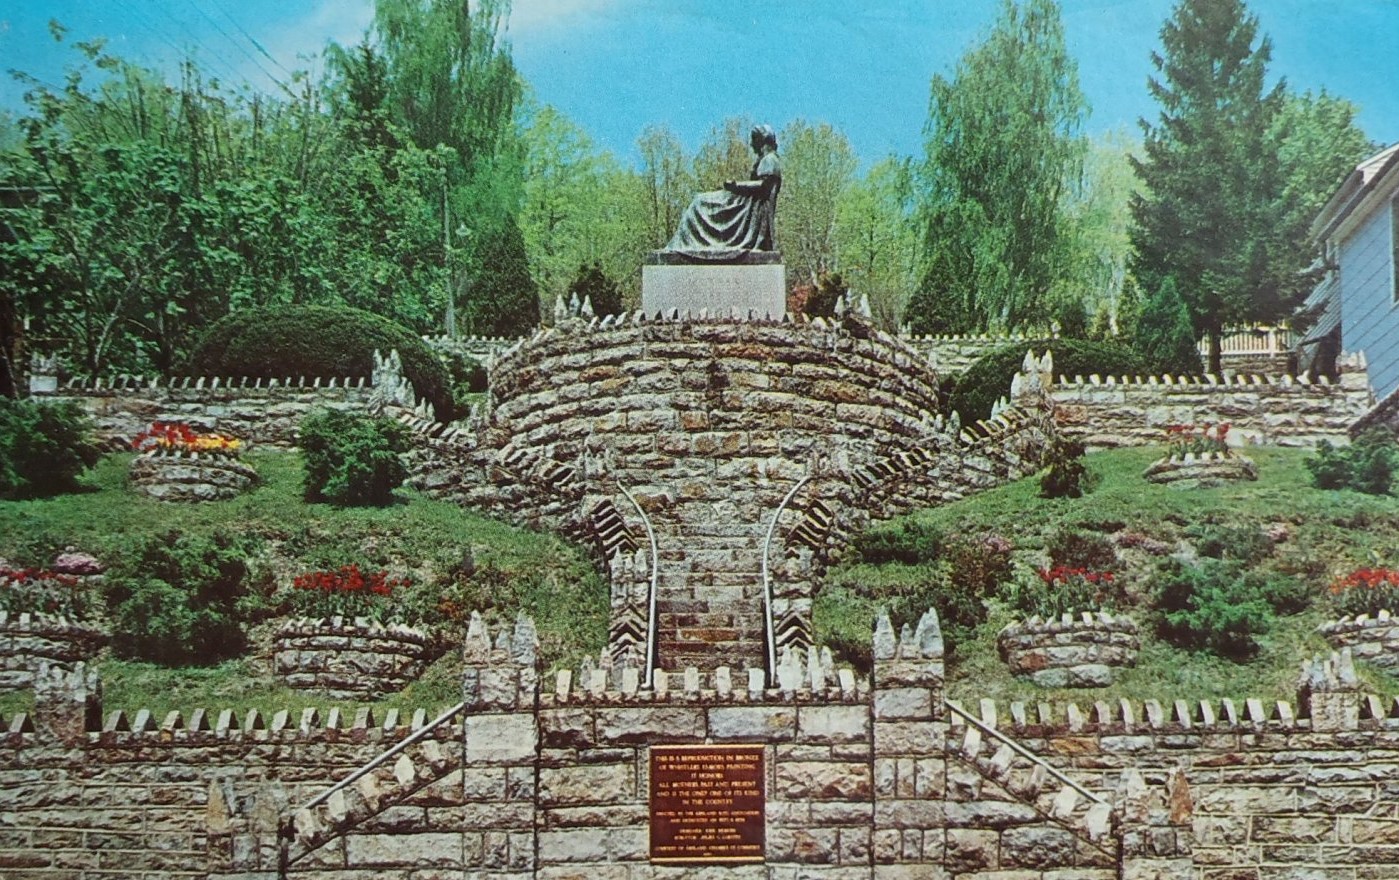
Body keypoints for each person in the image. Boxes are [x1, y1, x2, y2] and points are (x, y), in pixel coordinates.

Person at [664, 124, 781, 259]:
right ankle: (685, 243)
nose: (751, 144)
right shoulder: (766, 160)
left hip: (745, 206)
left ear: (762, 140)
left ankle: (687, 244)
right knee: (699, 201)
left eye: (753, 139)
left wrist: (736, 186)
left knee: (699, 202)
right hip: (743, 204)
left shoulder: (770, 160)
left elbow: (763, 186)